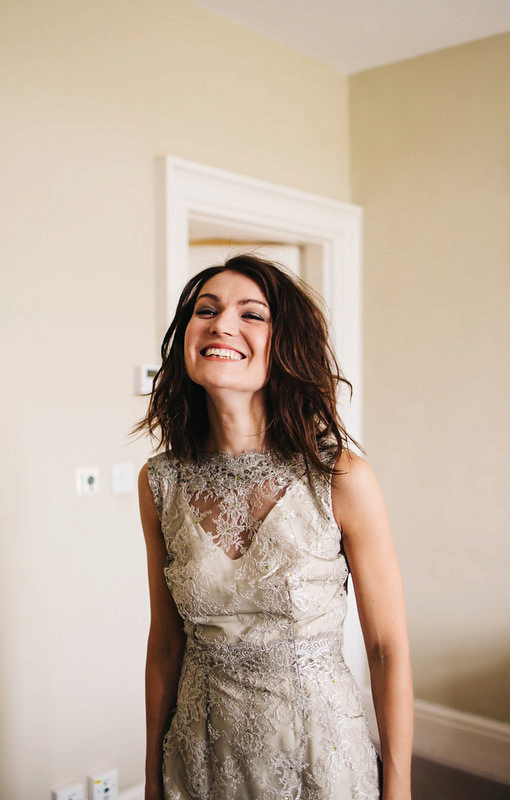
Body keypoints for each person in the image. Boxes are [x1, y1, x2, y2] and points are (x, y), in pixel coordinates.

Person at [136, 254, 412, 800]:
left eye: (251, 314)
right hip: (201, 758)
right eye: (205, 310)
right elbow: (166, 644)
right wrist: (150, 775)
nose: (220, 324)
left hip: (319, 758)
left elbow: (386, 648)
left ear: (285, 345)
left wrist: (399, 788)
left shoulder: (341, 478)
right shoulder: (160, 482)